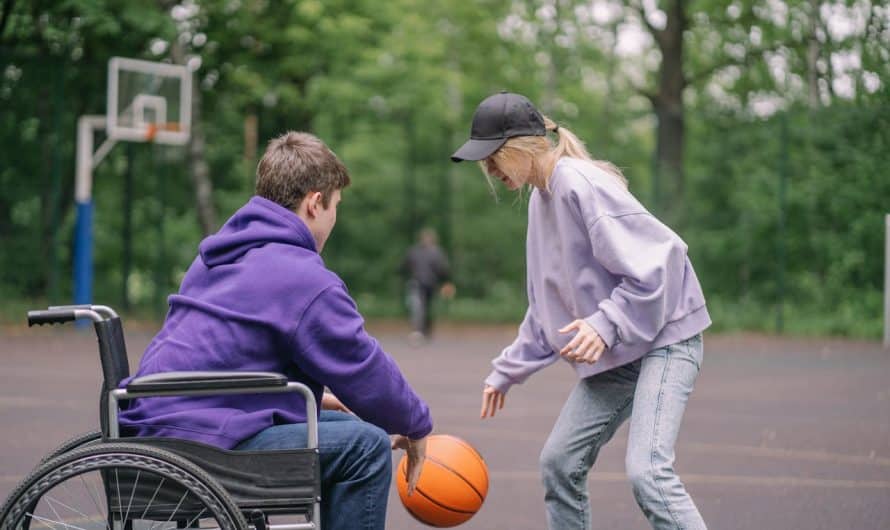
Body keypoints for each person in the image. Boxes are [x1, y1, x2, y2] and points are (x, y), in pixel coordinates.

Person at [119, 131, 432, 530]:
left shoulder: (218, 253)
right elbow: (361, 363)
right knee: (366, 448)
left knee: (354, 428)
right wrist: (416, 423)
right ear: (315, 203)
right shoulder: (301, 276)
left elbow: (224, 351)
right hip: (201, 443)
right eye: (336, 206)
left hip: (159, 421)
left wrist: (306, 399)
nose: (335, 218)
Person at [452, 92, 711, 530]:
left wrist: (606, 322)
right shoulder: (541, 200)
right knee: (559, 462)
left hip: (667, 337)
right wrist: (506, 370)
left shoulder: (579, 183)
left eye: (494, 158)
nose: (492, 171)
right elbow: (547, 310)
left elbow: (662, 260)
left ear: (521, 146)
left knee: (648, 473)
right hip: (626, 348)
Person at [401, 227, 455, 343]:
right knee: (418, 307)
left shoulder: (437, 252)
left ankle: (426, 330)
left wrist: (445, 282)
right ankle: (417, 331)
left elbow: (443, 269)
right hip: (417, 283)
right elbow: (405, 264)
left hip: (431, 284)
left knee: (428, 308)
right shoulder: (414, 251)